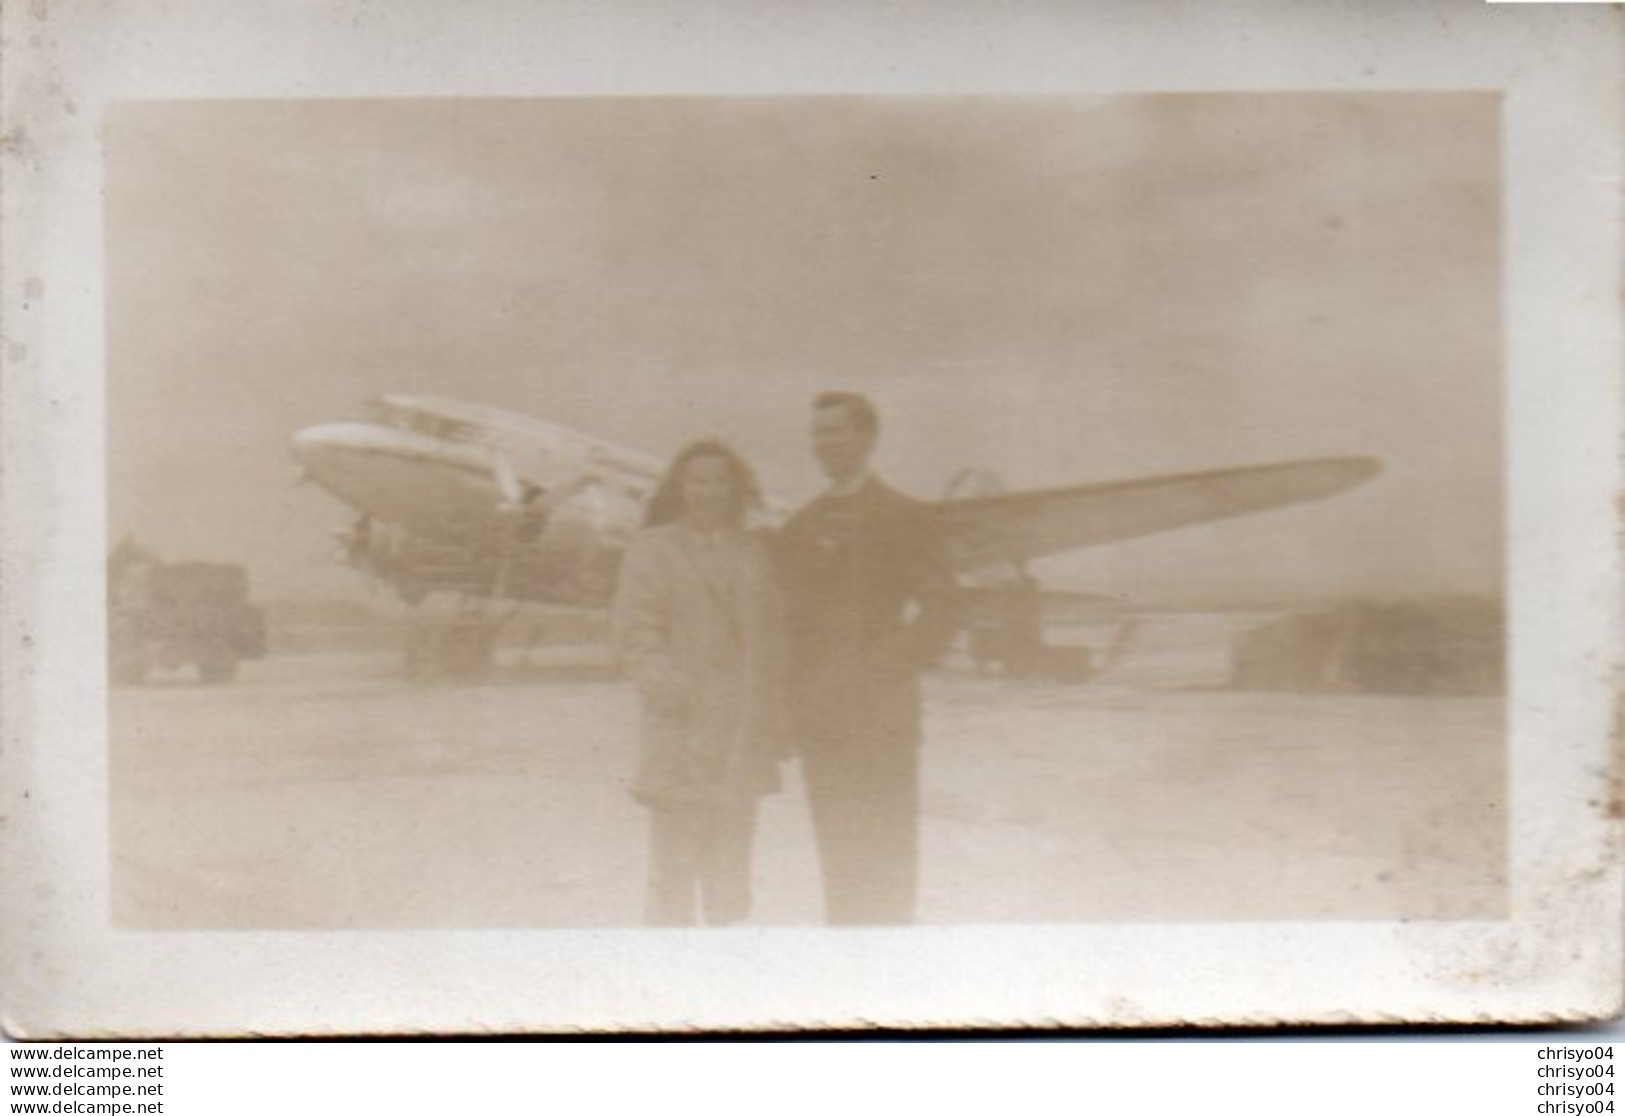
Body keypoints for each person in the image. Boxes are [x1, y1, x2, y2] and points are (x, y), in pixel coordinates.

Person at [774, 392, 961, 925]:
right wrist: (789, 706)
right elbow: (785, 625)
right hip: (821, 723)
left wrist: (881, 667)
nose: (824, 444)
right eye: (818, 434)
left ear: (867, 438)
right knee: (838, 860)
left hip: (882, 719)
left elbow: (943, 609)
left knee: (888, 861)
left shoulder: (904, 516)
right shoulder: (800, 528)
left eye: (835, 431)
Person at [612, 439, 787, 927]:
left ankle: (726, 990)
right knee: (673, 875)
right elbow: (634, 635)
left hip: (739, 741)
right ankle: (672, 987)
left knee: (732, 879)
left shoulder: (755, 552)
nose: (707, 491)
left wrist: (772, 720)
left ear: (735, 490)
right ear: (680, 487)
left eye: (718, 481)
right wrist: (671, 690)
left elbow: (773, 640)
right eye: (697, 481)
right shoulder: (652, 549)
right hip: (681, 737)